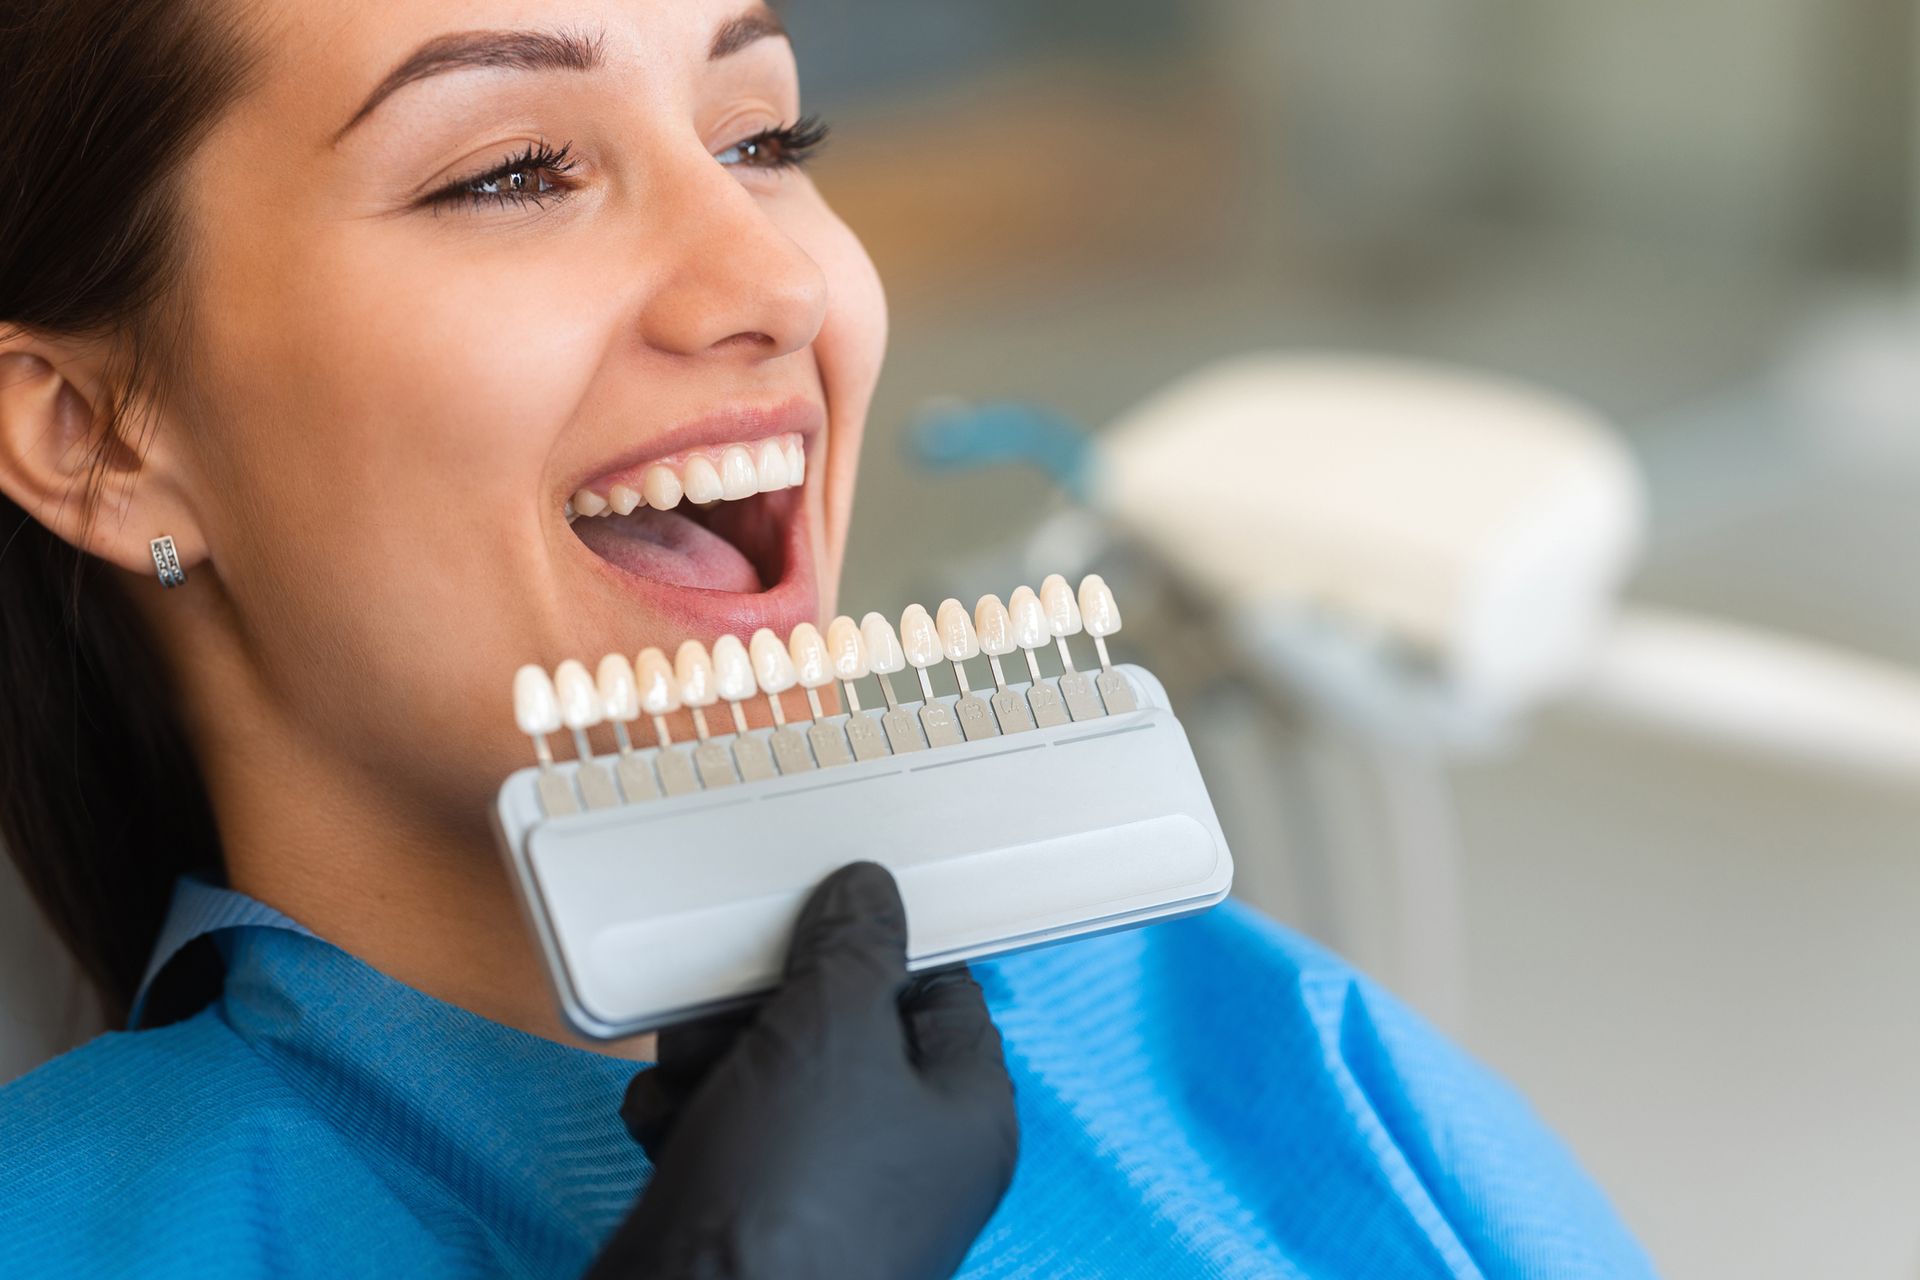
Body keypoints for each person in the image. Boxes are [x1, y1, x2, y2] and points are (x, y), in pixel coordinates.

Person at [0, 0, 1657, 1275]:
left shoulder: (1255, 1041)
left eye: (766, 141)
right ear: (89, 431)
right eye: (509, 171)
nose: (769, 280)